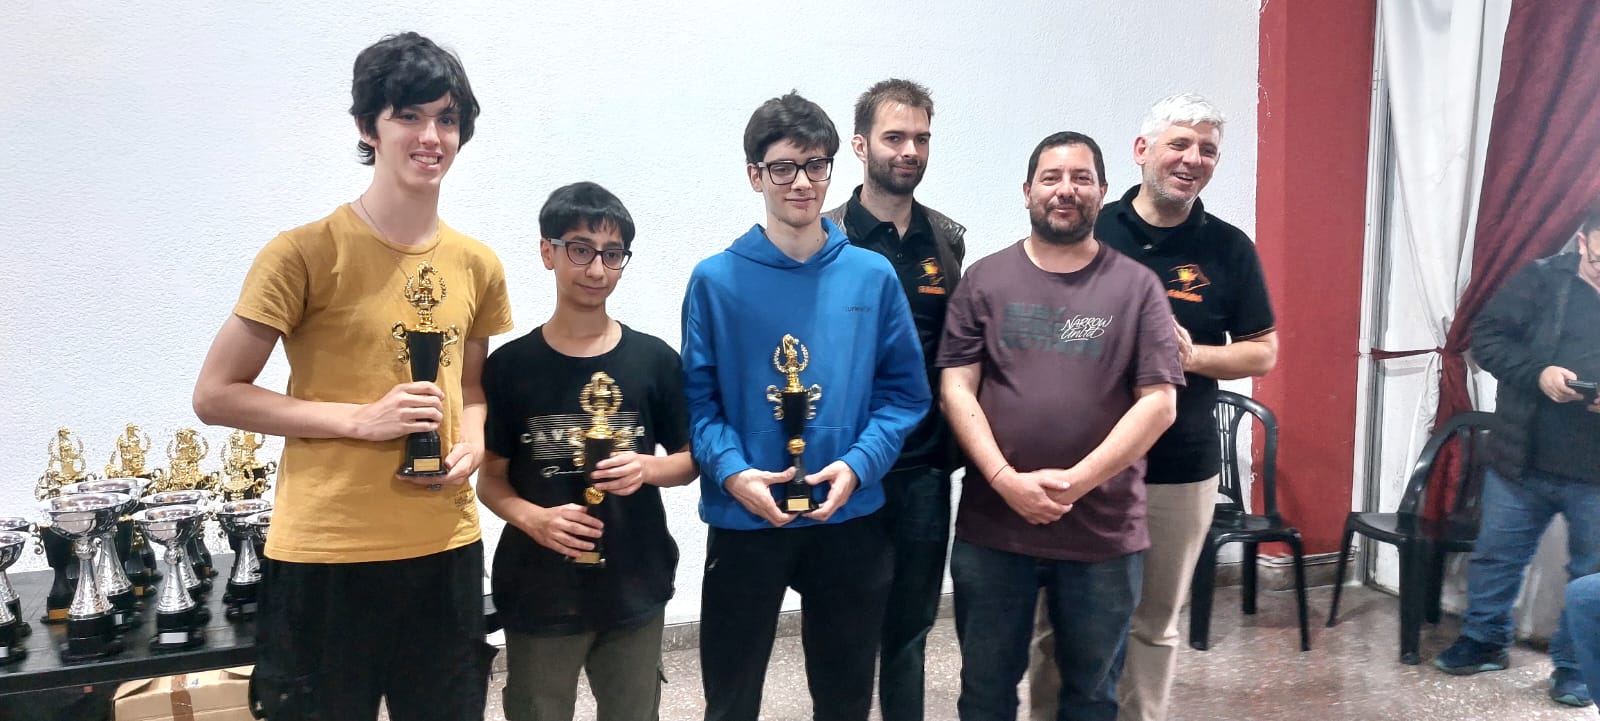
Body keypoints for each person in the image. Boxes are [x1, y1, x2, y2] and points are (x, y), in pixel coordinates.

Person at [191, 32, 512, 720]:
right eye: (409, 116)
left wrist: (475, 442)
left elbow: (471, 387)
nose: (431, 137)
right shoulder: (303, 253)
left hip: (445, 547)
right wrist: (359, 419)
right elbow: (215, 394)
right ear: (368, 127)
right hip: (327, 553)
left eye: (447, 119)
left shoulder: (477, 264)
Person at [680, 91, 930, 721]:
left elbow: (905, 393)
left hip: (847, 513)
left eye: (816, 165)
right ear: (755, 175)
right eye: (784, 167)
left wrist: (859, 465)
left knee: (845, 699)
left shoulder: (871, 276)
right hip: (745, 516)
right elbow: (700, 405)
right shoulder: (714, 280)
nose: (802, 182)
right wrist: (733, 473)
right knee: (731, 699)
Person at [1027, 93, 1277, 721]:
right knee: (1057, 620)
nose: (1193, 159)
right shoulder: (1092, 226)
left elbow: (1263, 353)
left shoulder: (1229, 248)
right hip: (1081, 464)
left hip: (1179, 469)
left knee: (1154, 623)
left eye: (1208, 151)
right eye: (1179, 144)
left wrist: (1191, 356)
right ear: (1142, 151)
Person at [938, 131, 1182, 721]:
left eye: (1081, 178)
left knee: (1092, 696)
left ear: (1102, 191)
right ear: (1027, 191)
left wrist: (1075, 482)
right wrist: (1005, 479)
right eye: (1051, 178)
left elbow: (1159, 403)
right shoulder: (985, 280)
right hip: (994, 530)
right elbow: (955, 388)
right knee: (985, 693)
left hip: (1102, 533)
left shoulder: (1138, 287)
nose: (1065, 190)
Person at [478, 181, 696, 721]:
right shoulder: (509, 367)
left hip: (634, 581)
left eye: (612, 254)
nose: (597, 269)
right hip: (540, 587)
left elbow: (691, 459)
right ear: (547, 251)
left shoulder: (654, 361)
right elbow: (491, 480)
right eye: (580, 249)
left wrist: (648, 468)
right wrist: (533, 519)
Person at [822, 78, 966, 721]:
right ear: (861, 146)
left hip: (924, 470)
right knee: (842, 628)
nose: (910, 150)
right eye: (895, 137)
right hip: (845, 467)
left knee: (909, 632)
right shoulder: (825, 236)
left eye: (921, 139)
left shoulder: (946, 239)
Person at [1434, 195, 1600, 709]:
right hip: (1522, 456)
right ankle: (1484, 640)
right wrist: (1539, 374)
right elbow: (1487, 339)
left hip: (1596, 473)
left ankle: (1575, 668)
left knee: (1591, 577)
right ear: (1581, 243)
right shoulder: (1541, 281)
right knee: (1496, 557)